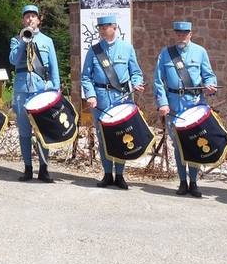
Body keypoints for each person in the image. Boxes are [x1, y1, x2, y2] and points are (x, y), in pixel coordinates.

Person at [153, 21, 217, 198]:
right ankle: (182, 181)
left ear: (191, 34)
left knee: (195, 142)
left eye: (185, 33)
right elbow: (158, 81)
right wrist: (163, 103)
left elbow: (209, 75)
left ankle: (194, 182)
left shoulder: (200, 52)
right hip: (174, 106)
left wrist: (211, 85)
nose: (182, 36)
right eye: (178, 33)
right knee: (178, 145)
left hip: (194, 104)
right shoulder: (166, 54)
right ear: (175, 34)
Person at [81, 14, 145, 190]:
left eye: (106, 27)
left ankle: (120, 175)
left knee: (123, 135)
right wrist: (91, 95)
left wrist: (137, 82)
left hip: (122, 98)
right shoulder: (94, 51)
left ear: (114, 27)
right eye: (100, 28)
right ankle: (107, 174)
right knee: (103, 138)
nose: (102, 30)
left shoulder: (126, 48)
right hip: (101, 100)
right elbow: (86, 76)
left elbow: (136, 72)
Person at [9, 5, 61, 183]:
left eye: (33, 16)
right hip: (22, 90)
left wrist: (56, 88)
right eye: (27, 17)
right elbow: (13, 60)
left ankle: (44, 169)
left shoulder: (47, 41)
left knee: (42, 130)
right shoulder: (16, 40)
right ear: (23, 20)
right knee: (24, 131)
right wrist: (24, 41)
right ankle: (28, 168)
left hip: (42, 90)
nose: (30, 19)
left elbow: (53, 68)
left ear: (38, 20)